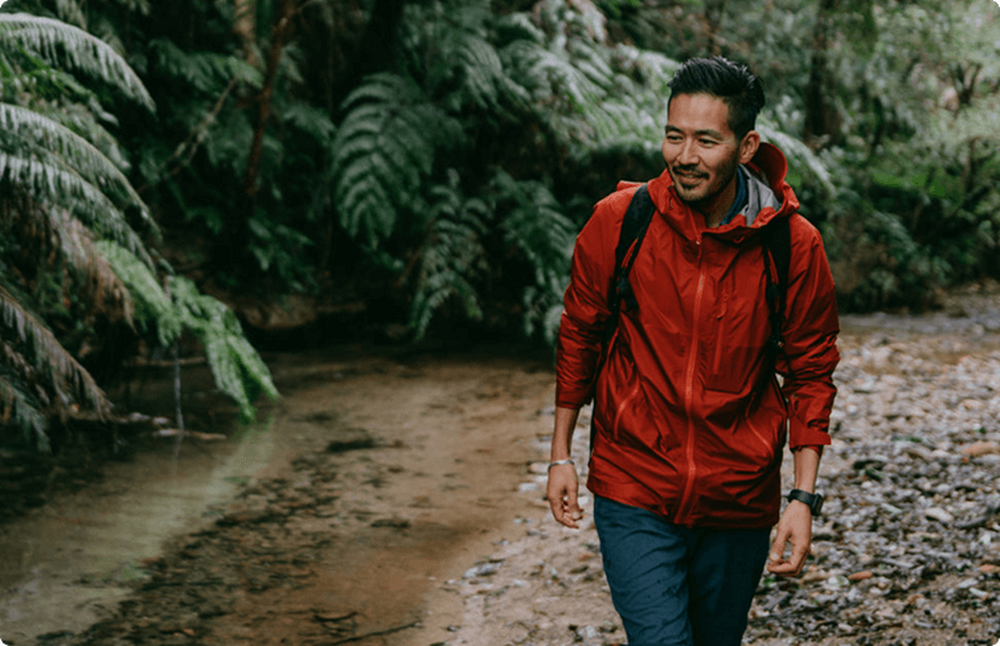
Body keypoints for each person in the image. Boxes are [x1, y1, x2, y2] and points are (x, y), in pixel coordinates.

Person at [546, 56, 840, 646]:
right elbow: (581, 333)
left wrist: (802, 498)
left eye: (706, 140)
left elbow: (811, 371)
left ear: (747, 144)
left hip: (738, 497)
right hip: (634, 486)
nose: (684, 156)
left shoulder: (792, 244)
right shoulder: (620, 221)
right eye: (674, 135)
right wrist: (561, 454)